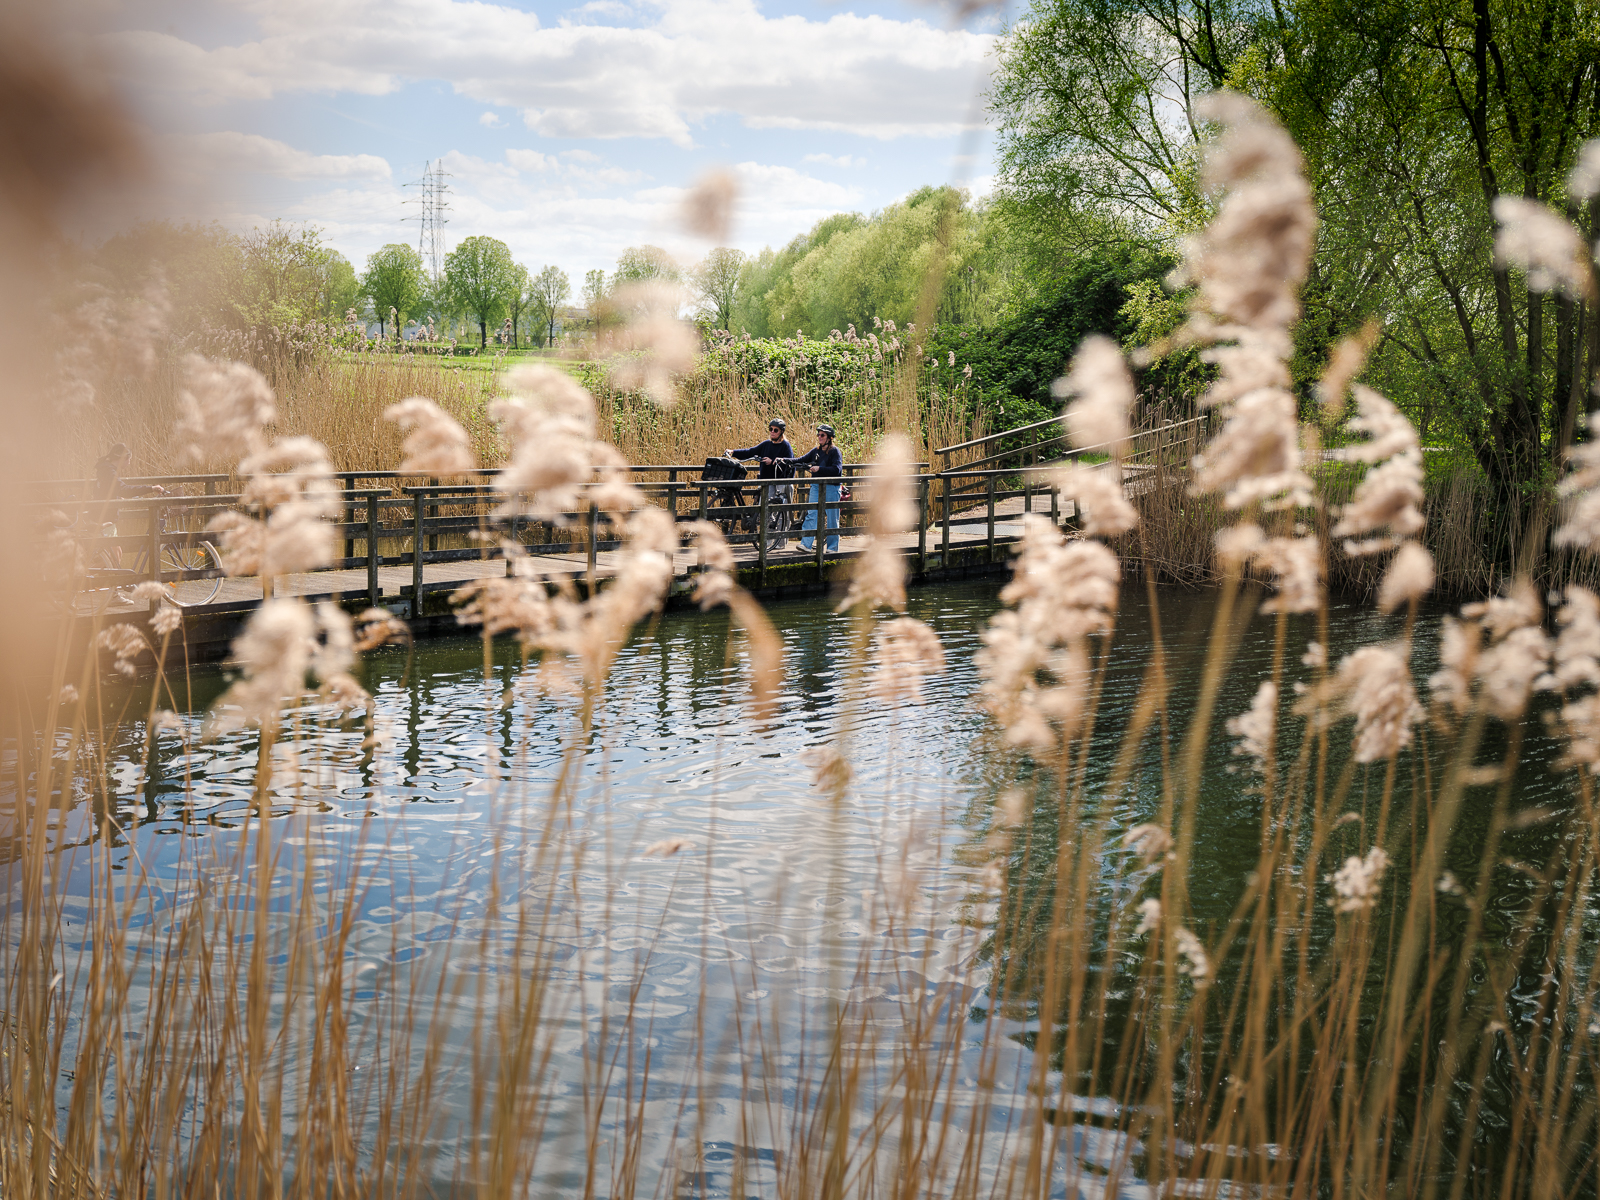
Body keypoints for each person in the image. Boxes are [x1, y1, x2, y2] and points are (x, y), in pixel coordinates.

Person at [91, 443, 165, 567]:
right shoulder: (109, 472)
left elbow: (105, 490)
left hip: (104, 515)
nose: (129, 462)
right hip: (104, 517)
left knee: (117, 553)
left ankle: (108, 583)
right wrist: (151, 488)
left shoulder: (105, 469)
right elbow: (124, 489)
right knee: (112, 558)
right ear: (121, 459)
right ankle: (86, 580)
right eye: (129, 459)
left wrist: (115, 496)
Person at [726, 419, 795, 550]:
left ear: (781, 432)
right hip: (767, 481)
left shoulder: (785, 446)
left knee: (781, 512)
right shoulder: (766, 445)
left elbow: (790, 462)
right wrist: (733, 452)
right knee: (766, 511)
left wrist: (774, 461)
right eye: (771, 429)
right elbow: (750, 451)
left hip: (781, 481)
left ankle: (780, 543)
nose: (772, 432)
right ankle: (768, 541)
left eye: (776, 430)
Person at [787, 423, 843, 553]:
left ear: (829, 438)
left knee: (832, 517)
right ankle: (806, 544)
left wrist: (819, 468)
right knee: (811, 514)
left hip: (831, 487)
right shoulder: (816, 450)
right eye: (818, 434)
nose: (819, 436)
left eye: (822, 435)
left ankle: (832, 548)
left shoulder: (835, 452)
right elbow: (801, 459)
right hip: (816, 486)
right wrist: (784, 460)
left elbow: (837, 469)